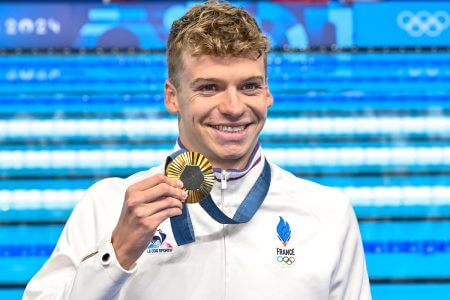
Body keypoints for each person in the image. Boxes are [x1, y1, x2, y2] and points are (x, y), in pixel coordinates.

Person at [24, 1, 371, 299]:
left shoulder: (327, 213)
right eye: (209, 88)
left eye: (249, 86)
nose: (234, 107)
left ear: (268, 94)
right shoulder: (109, 205)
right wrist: (117, 252)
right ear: (172, 97)